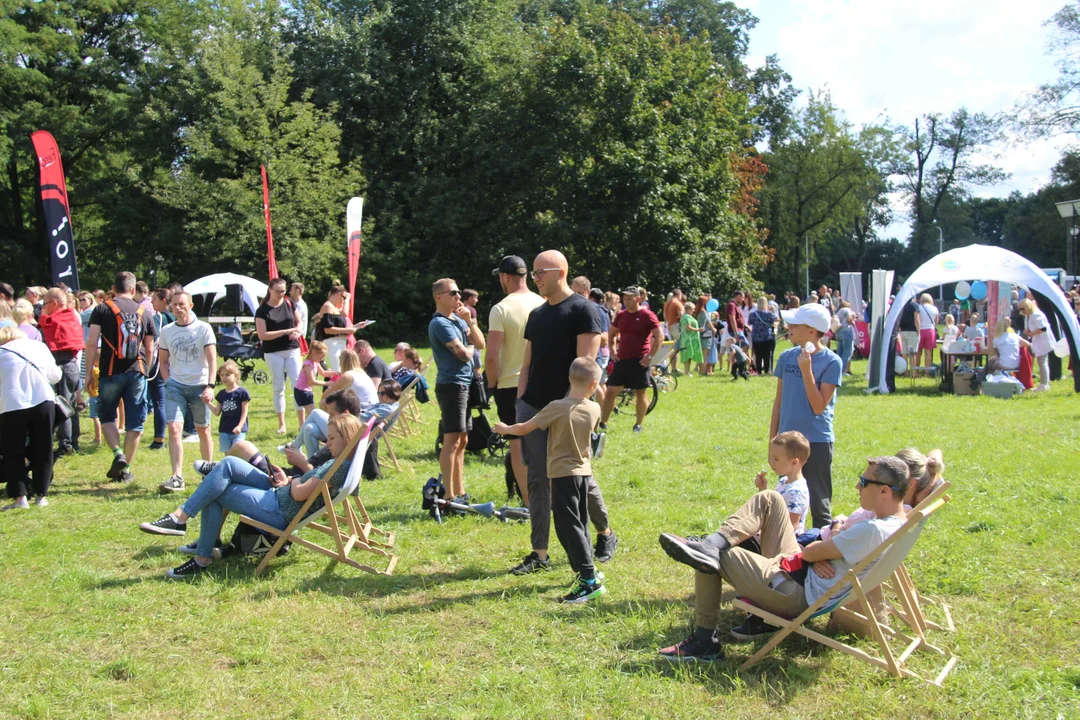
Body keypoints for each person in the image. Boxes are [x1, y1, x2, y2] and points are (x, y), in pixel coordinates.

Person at [656, 456, 910, 659]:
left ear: (885, 491)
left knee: (712, 558)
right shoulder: (900, 523)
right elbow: (817, 552)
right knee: (771, 498)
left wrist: (821, 549)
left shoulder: (872, 530)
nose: (857, 486)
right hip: (801, 571)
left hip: (794, 592)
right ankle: (711, 543)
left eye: (863, 482)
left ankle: (704, 642)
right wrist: (824, 548)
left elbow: (811, 551)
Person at [139, 413, 363, 580]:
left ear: (347, 437)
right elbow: (303, 490)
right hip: (280, 496)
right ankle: (182, 519)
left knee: (217, 491)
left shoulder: (337, 466)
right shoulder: (344, 463)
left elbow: (299, 493)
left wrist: (293, 480)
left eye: (332, 438)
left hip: (279, 510)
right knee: (228, 464)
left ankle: (199, 553)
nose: (328, 443)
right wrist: (287, 481)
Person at [512, 250, 616, 575]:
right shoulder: (537, 315)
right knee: (538, 478)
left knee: (578, 478)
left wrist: (572, 409)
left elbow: (586, 370)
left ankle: (605, 533)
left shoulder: (585, 311)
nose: (535, 278)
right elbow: (527, 364)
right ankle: (539, 554)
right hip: (535, 406)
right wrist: (520, 403)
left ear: (560, 272)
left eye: (540, 272)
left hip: (568, 411)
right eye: (533, 273)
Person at [494, 358, 608, 603]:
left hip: (563, 475)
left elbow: (525, 428)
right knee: (581, 523)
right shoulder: (594, 409)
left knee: (568, 527)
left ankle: (589, 580)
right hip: (584, 474)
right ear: (594, 385)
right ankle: (590, 568)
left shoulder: (557, 407)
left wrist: (505, 429)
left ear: (569, 379)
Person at [770, 303, 842, 529]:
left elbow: (819, 406)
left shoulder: (832, 362)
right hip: (787, 440)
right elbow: (779, 401)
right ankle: (787, 550)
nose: (788, 326)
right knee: (786, 499)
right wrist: (773, 439)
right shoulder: (786, 357)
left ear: (812, 331)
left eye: (795, 324)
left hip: (817, 440)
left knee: (819, 501)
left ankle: (821, 551)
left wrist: (806, 370)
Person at [84, 271, 157, 484]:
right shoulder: (145, 312)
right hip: (137, 371)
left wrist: (89, 372)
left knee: (106, 416)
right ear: (134, 289)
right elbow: (150, 348)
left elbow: (92, 343)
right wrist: (146, 370)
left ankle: (118, 453)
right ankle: (126, 470)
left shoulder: (102, 309)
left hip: (109, 370)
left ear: (113, 288)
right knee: (136, 422)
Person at [485, 255, 545, 502]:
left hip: (510, 384)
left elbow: (492, 355)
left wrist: (491, 385)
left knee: (517, 444)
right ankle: (546, 495)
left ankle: (529, 501)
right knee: (542, 443)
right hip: (541, 381)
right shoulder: (543, 302)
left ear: (505, 277)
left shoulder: (500, 308)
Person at [429, 278, 485, 503]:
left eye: (459, 292)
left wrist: (470, 322)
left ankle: (460, 491)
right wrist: (470, 347)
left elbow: (480, 344)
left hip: (465, 383)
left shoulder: (459, 320)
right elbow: (464, 354)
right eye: (453, 293)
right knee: (451, 440)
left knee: (463, 440)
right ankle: (449, 496)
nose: (458, 297)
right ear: (439, 297)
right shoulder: (439, 323)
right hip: (451, 386)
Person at [157, 291, 217, 494]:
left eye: (182, 304)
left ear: (191, 305)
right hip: (175, 385)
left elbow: (212, 360)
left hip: (200, 385)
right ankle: (177, 477)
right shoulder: (166, 331)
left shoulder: (203, 328)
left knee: (203, 429)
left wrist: (210, 386)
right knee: (174, 429)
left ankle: (208, 474)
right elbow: (163, 361)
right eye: (174, 305)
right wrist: (168, 381)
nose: (178, 308)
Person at [0, 327, 60, 510]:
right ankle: (41, 495)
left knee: (13, 451)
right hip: (43, 400)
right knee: (44, 447)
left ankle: (20, 498)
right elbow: (55, 376)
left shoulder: (2, 353)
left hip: (11, 403)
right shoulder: (38, 347)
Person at [599, 286, 664, 433]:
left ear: (638, 299)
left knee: (641, 393)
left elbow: (659, 336)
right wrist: (612, 349)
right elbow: (612, 333)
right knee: (610, 391)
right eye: (625, 298)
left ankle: (638, 424)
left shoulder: (647, 315)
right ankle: (603, 422)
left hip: (640, 361)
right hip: (623, 360)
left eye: (630, 298)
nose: (626, 301)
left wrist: (649, 357)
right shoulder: (621, 316)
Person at [37, 288, 84, 455]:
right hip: (71, 366)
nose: (43, 308)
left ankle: (66, 443)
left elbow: (46, 324)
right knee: (70, 404)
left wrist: (42, 315)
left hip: (63, 365)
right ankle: (73, 440)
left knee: (63, 405)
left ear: (54, 304)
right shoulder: (71, 316)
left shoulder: (59, 318)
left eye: (45, 304)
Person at [255, 278, 303, 434]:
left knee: (297, 384)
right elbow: (263, 335)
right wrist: (286, 332)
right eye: (278, 291)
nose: (281, 294)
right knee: (278, 387)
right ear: (270, 290)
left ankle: (301, 423)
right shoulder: (262, 310)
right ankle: (282, 424)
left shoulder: (289, 302)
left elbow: (299, 322)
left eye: (283, 291)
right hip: (273, 351)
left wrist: (297, 331)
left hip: (292, 349)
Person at [285, 388, 362, 458]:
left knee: (315, 412)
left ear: (345, 414)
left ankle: (294, 446)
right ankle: (312, 462)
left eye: (331, 415)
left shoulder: (344, 443)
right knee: (309, 428)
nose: (328, 420)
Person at [146, 288, 175, 450]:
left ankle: (159, 439)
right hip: (177, 363)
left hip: (160, 364)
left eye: (154, 300)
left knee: (159, 402)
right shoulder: (177, 318)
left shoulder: (159, 318)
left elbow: (153, 339)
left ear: (164, 300)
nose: (151, 303)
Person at [312, 285, 364, 372]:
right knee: (337, 370)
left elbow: (343, 315)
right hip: (332, 343)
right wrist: (347, 300)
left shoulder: (334, 308)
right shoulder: (327, 306)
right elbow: (328, 329)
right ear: (338, 295)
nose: (343, 301)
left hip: (340, 342)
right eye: (343, 298)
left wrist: (356, 326)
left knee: (344, 370)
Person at [205, 361, 251, 453]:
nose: (224, 377)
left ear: (236, 375)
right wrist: (208, 403)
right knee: (228, 454)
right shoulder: (221, 394)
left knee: (238, 452)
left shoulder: (242, 393)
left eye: (227, 375)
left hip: (238, 430)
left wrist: (239, 426)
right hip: (224, 430)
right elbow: (217, 412)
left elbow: (244, 412)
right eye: (222, 375)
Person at [1018, 298, 1056, 392]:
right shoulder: (1028, 315)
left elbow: (1043, 328)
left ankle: (1044, 384)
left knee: (1042, 361)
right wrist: (1027, 331)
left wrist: (1031, 333)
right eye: (1020, 309)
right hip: (1037, 340)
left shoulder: (1036, 314)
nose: (1022, 311)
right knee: (1041, 361)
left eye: (1023, 309)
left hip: (1043, 340)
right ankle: (1044, 383)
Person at [295, 341, 331, 421]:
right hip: (302, 392)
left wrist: (335, 373)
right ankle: (304, 430)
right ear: (314, 353)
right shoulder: (308, 365)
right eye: (321, 357)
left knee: (312, 413)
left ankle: (303, 428)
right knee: (312, 413)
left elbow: (324, 373)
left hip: (307, 391)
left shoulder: (316, 362)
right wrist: (328, 383)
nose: (321, 359)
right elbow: (312, 381)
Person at [748, 296, 778, 376]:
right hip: (767, 336)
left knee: (758, 354)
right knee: (767, 354)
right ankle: (766, 370)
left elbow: (749, 323)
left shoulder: (752, 314)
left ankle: (758, 370)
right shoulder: (769, 314)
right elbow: (776, 319)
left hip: (756, 337)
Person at [915, 293, 939, 368]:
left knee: (918, 352)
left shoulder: (918, 307)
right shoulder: (934, 308)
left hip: (920, 330)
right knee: (928, 352)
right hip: (930, 330)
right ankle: (927, 371)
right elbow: (936, 321)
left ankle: (917, 368)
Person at [679, 302, 703, 377]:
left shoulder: (687, 316)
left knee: (689, 355)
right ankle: (687, 372)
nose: (694, 311)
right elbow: (688, 327)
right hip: (687, 339)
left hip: (690, 339)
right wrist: (698, 329)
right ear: (688, 309)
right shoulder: (686, 317)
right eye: (692, 309)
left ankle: (688, 371)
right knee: (687, 355)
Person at [833, 300, 856, 376]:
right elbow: (849, 320)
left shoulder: (838, 311)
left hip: (838, 332)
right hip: (846, 331)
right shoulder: (847, 310)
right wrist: (853, 317)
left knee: (839, 352)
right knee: (847, 352)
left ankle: (836, 369)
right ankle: (842, 371)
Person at [897, 297, 919, 367]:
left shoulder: (901, 305)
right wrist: (918, 331)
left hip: (902, 330)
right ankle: (913, 372)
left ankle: (904, 370)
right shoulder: (914, 305)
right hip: (912, 330)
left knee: (904, 352)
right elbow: (917, 320)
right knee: (912, 352)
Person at [696, 296, 714, 375]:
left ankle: (702, 370)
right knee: (705, 353)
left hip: (700, 334)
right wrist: (714, 329)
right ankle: (703, 371)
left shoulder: (698, 311)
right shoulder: (703, 312)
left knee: (702, 353)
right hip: (705, 334)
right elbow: (708, 322)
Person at [664, 289, 684, 354]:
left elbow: (665, 316)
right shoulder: (677, 303)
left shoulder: (667, 303)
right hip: (676, 327)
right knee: (676, 349)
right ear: (679, 295)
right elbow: (682, 317)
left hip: (669, 326)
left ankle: (673, 364)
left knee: (673, 348)